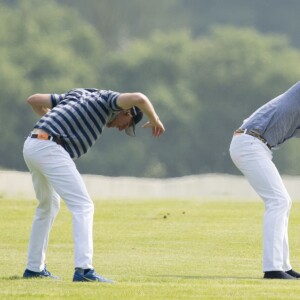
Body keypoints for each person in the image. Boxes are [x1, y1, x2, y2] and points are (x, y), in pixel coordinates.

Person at [22, 88, 165, 282]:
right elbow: (140, 98)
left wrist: (58, 124)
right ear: (127, 111)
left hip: (33, 144)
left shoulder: (79, 94)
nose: (122, 128)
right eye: (128, 124)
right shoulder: (109, 101)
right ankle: (84, 270)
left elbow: (34, 100)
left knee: (47, 207)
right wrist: (155, 119)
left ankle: (34, 268)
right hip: (49, 148)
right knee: (83, 206)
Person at [229, 81, 300, 280]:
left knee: (283, 201)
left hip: (254, 145)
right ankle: (273, 269)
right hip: (249, 143)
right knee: (278, 201)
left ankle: (283, 266)